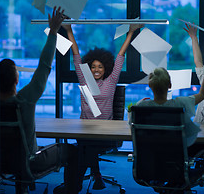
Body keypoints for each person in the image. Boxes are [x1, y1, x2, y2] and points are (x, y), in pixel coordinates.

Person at [0, 7, 79, 194]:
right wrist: (54, 31)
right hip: (30, 163)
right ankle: (70, 190)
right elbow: (45, 66)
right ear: (16, 80)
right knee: (72, 151)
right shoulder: (25, 100)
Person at [54, 23, 144, 193]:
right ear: (89, 68)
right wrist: (68, 30)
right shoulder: (84, 80)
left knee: (81, 152)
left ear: (106, 69)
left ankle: (75, 186)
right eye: (93, 66)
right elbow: (76, 55)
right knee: (84, 147)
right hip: (85, 130)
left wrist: (131, 32)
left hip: (105, 132)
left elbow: (120, 57)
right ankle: (95, 176)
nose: (96, 70)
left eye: (100, 67)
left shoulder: (110, 82)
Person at [136, 50, 204, 139]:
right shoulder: (180, 104)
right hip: (175, 151)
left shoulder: (141, 106)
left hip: (148, 152)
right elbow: (202, 94)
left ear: (150, 85)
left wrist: (139, 104)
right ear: (170, 85)